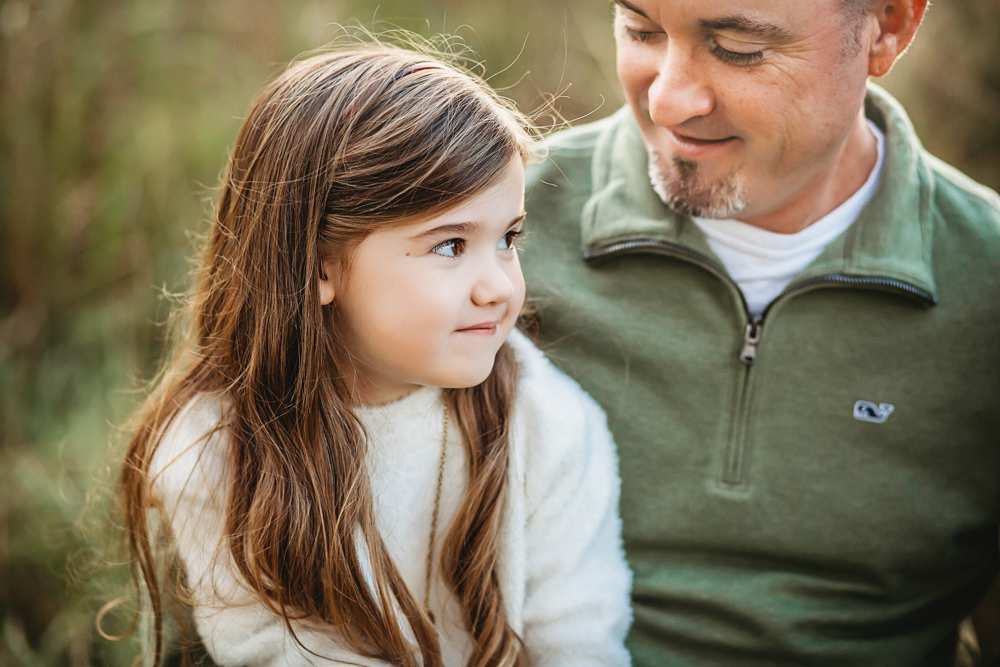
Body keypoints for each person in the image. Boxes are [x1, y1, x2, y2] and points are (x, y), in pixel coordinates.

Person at [115, 45, 632, 667]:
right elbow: (279, 653)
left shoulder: (550, 425)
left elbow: (578, 644)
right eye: (449, 245)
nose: (499, 285)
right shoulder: (213, 448)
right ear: (319, 265)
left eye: (508, 239)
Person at [519, 0, 1000, 664]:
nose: (667, 101)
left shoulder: (988, 289)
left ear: (888, 27)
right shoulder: (492, 230)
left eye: (738, 48)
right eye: (640, 31)